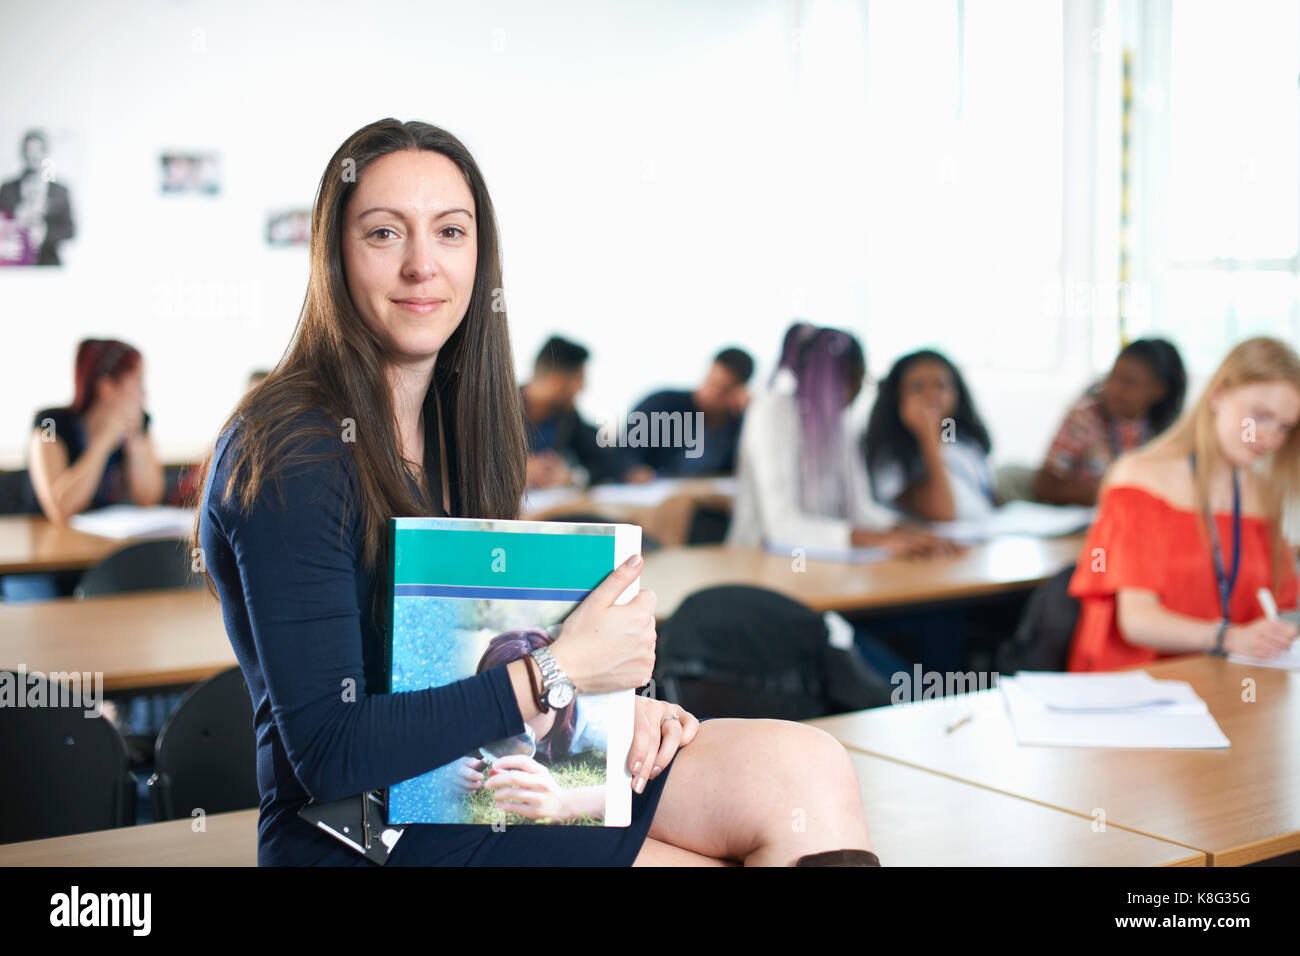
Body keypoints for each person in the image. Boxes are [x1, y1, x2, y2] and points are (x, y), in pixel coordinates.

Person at [193, 118, 876, 867]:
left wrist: (611, 714)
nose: (424, 265)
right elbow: (328, 750)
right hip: (356, 832)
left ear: (479, 257)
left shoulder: (460, 424)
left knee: (809, 770)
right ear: (334, 257)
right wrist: (559, 673)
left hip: (473, 778)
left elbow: (460, 674)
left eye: (450, 233)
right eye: (385, 234)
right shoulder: (291, 447)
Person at [1067, 336, 1300, 672]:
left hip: (1229, 687)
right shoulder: (1139, 478)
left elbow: (1281, 607)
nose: (1269, 438)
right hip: (1139, 687)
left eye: (1284, 428)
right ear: (1218, 394)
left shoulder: (1264, 496)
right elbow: (1137, 621)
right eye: (1260, 416)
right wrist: (1228, 637)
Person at [728, 326, 959, 559]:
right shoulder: (772, 413)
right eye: (851, 380)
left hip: (825, 565)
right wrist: (879, 540)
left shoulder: (842, 422)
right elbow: (781, 528)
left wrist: (917, 534)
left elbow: (860, 511)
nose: (856, 392)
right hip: (761, 561)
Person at [455, 628, 609, 824]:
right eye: (502, 703)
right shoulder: (473, 706)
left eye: (532, 703)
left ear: (559, 699)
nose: (514, 721)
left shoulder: (594, 722)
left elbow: (633, 791)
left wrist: (565, 802)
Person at [26, 338, 164, 526]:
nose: (144, 394)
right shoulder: (49, 423)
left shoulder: (140, 423)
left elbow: (149, 501)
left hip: (104, 541)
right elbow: (60, 509)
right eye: (137, 383)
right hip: (49, 544)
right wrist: (103, 442)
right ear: (107, 387)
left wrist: (135, 444)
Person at [1037, 338, 1187, 506]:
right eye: (1113, 376)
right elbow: (1045, 486)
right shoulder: (1084, 419)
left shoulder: (1169, 432)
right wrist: (1111, 494)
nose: (1115, 388)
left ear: (1159, 390)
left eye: (1129, 383)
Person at [865, 349, 995, 522]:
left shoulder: (964, 443)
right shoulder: (890, 457)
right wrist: (928, 436)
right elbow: (943, 513)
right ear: (896, 397)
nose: (932, 395)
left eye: (941, 385)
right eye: (918, 387)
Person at [619, 347, 754, 482]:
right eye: (710, 382)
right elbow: (624, 453)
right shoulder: (663, 405)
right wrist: (633, 470)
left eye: (723, 391)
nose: (710, 394)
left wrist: (751, 412)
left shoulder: (738, 425)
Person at [520, 336, 619, 488]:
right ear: (557, 382)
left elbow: (604, 461)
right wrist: (515, 472)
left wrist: (572, 476)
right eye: (579, 380)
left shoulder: (567, 417)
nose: (582, 389)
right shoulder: (494, 411)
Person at [0, 129, 75, 266]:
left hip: (48, 264)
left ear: (45, 153)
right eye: (29, 151)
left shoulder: (60, 191)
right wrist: (16, 219)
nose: (33, 156)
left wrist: (45, 233)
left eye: (38, 151)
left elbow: (70, 230)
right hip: (14, 265)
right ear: (23, 153)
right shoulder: (7, 189)